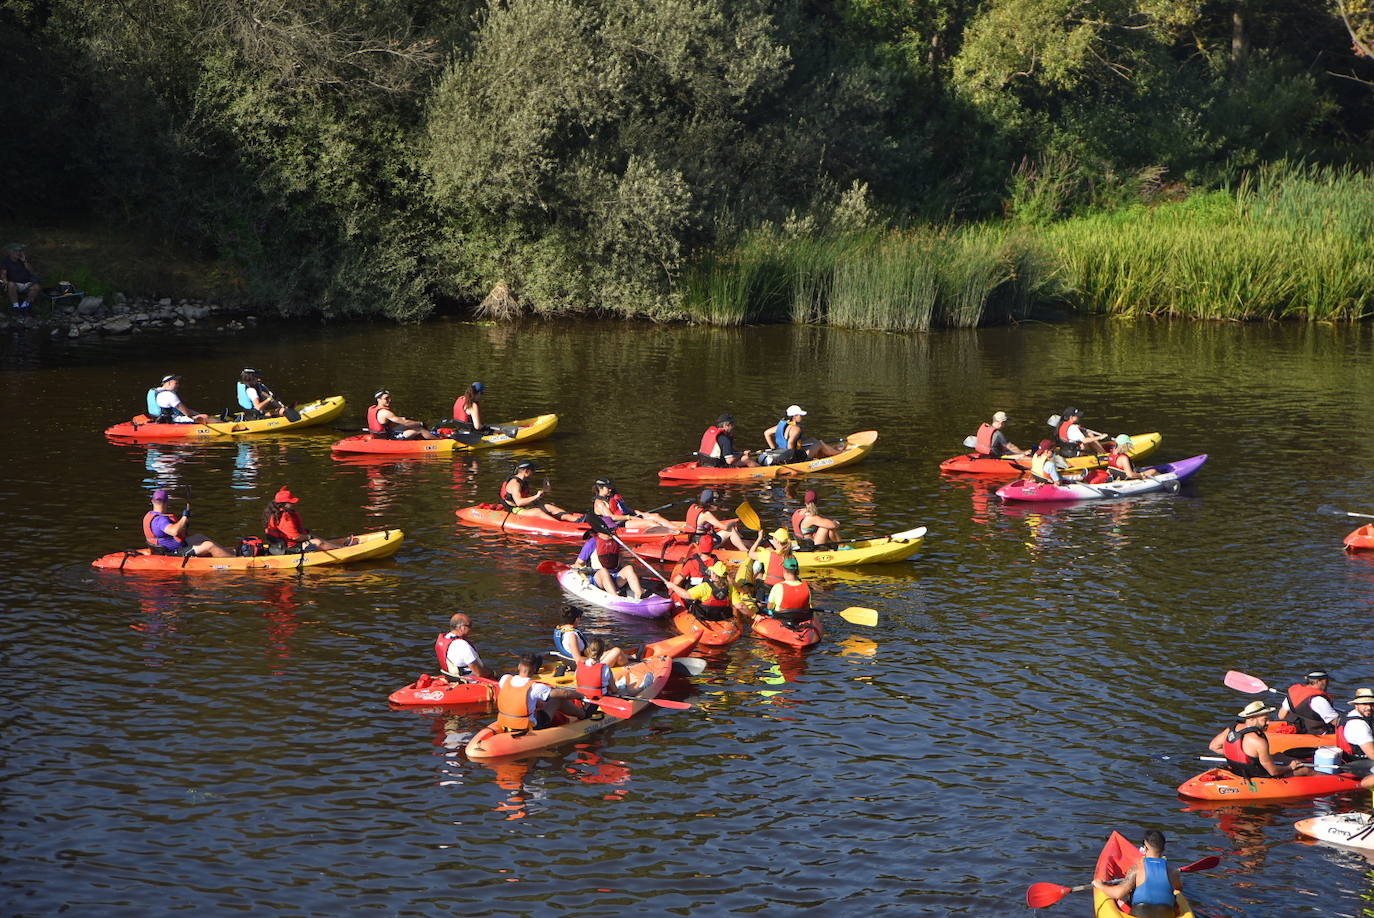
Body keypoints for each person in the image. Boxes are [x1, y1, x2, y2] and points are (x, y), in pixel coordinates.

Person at [1209, 700, 1314, 778]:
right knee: (1304, 770)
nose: (1268, 722)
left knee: (1278, 755)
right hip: (1254, 774)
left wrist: (1238, 756)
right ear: (1251, 719)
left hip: (1237, 769)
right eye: (1265, 719)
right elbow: (1273, 772)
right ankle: (1327, 780)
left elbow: (1213, 746)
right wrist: (1290, 767)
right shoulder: (1259, 741)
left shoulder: (1231, 729)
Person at [1090, 830, 1182, 918]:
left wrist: (1100, 885)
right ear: (1164, 849)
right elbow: (1178, 889)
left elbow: (1118, 893)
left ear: (1145, 848)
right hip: (1167, 914)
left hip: (1139, 914)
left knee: (1122, 898)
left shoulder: (1136, 869)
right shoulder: (1174, 872)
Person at [494, 653, 583, 733]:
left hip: (504, 722)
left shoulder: (505, 679)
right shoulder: (535, 687)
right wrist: (580, 695)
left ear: (519, 666)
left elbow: (514, 696)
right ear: (534, 670)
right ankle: (583, 715)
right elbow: (564, 693)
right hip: (526, 726)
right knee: (557, 700)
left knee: (539, 702)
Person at [141, 488, 233, 558]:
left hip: (164, 548)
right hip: (171, 552)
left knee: (199, 536)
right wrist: (184, 517)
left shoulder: (150, 515)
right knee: (209, 545)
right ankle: (233, 559)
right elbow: (174, 531)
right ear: (166, 502)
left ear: (152, 501)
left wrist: (185, 522)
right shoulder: (161, 520)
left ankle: (226, 552)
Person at [262, 487, 351, 552]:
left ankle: (336, 546)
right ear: (283, 504)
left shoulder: (273, 512)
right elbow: (295, 537)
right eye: (290, 502)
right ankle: (341, 550)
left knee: (316, 537)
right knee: (318, 542)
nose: (293, 504)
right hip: (290, 547)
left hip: (283, 544)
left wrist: (309, 536)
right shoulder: (285, 517)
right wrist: (308, 537)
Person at [498, 461, 581, 522]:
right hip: (515, 510)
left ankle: (578, 520)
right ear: (526, 471)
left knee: (549, 507)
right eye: (533, 470)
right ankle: (561, 526)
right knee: (537, 512)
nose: (534, 473)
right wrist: (536, 496)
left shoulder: (523, 482)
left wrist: (537, 500)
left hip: (523, 508)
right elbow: (519, 502)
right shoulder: (515, 484)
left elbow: (525, 499)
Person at [575, 528, 645, 600]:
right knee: (604, 571)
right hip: (597, 578)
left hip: (614, 577)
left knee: (629, 568)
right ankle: (615, 597)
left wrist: (633, 574)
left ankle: (639, 595)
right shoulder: (592, 542)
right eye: (610, 530)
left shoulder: (616, 541)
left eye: (613, 529)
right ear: (600, 532)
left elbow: (620, 563)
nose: (612, 532)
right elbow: (579, 563)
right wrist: (582, 573)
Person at [552, 606, 631, 668]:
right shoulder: (572, 636)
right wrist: (595, 659)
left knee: (608, 646)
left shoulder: (561, 629)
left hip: (585, 660)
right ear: (576, 619)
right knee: (617, 651)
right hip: (588, 666)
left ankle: (628, 658)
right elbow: (578, 660)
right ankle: (629, 667)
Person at [763, 405, 842, 462]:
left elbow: (767, 433)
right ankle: (839, 454)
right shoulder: (796, 429)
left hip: (782, 452)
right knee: (820, 443)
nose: (802, 417)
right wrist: (791, 459)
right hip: (793, 458)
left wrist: (774, 450)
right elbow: (790, 443)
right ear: (794, 416)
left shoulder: (783, 425)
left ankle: (825, 452)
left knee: (812, 440)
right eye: (800, 415)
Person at [667, 560, 739, 622]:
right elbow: (739, 605)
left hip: (704, 618)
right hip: (721, 618)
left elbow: (685, 594)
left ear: (714, 575)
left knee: (691, 602)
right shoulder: (731, 588)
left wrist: (673, 586)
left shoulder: (705, 587)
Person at [592, 479, 674, 531]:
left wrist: (640, 513)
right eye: (608, 488)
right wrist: (630, 517)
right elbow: (612, 517)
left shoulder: (611, 497)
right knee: (649, 522)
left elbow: (624, 509)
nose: (610, 489)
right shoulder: (599, 503)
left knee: (655, 516)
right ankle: (669, 533)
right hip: (618, 524)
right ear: (600, 488)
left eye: (610, 487)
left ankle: (676, 529)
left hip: (626, 519)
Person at [683, 489, 749, 551]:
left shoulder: (693, 507)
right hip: (704, 544)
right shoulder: (706, 514)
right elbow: (725, 527)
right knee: (730, 530)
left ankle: (743, 542)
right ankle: (745, 551)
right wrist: (733, 522)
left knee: (729, 531)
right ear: (711, 501)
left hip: (693, 541)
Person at [1277, 670, 1339, 735]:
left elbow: (1281, 716)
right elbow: (1336, 722)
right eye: (1326, 681)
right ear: (1318, 681)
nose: (1328, 684)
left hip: (1297, 731)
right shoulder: (1319, 700)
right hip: (1317, 735)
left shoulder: (1294, 693)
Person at [434, 612, 493, 680]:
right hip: (470, 682)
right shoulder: (462, 645)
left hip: (452, 677)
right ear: (461, 627)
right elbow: (479, 673)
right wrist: (494, 673)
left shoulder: (446, 638)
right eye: (469, 625)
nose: (471, 628)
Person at [367, 389, 439, 440]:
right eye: (386, 398)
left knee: (408, 424)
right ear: (378, 400)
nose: (390, 400)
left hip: (378, 435)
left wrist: (403, 420)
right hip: (388, 437)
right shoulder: (385, 412)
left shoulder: (371, 408)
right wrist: (421, 423)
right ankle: (439, 441)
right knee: (420, 429)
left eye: (389, 397)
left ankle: (428, 435)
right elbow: (405, 423)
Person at [764, 556, 814, 626]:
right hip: (801, 618)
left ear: (784, 570)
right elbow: (808, 607)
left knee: (764, 609)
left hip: (781, 618)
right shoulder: (806, 586)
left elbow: (769, 607)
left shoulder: (778, 586)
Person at [1337, 687, 1374, 765]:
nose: (1369, 708)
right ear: (1356, 705)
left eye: (1372, 704)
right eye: (1365, 704)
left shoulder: (1350, 714)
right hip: (1359, 763)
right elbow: (1372, 754)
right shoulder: (1359, 726)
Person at [2, 242, 41, 310]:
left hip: (27, 283)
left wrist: (24, 261)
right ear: (11, 251)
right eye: (16, 251)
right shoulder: (6, 261)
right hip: (15, 284)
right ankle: (15, 306)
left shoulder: (23, 260)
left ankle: (25, 306)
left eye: (20, 251)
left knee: (36, 287)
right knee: (11, 284)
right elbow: (3, 273)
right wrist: (4, 280)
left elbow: (32, 271)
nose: (19, 253)